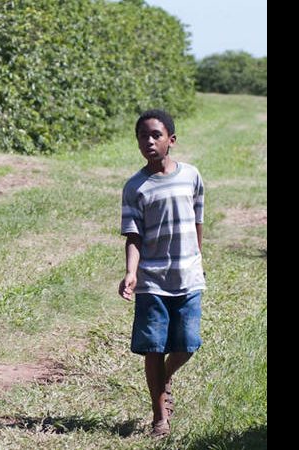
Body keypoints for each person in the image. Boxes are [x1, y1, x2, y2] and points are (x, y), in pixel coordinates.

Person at [118, 109, 206, 438]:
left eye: (156, 135)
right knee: (153, 347)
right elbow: (133, 236)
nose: (149, 141)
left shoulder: (192, 177)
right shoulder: (135, 187)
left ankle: (164, 379)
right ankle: (160, 416)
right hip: (152, 279)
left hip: (188, 277)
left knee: (188, 344)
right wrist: (131, 272)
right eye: (143, 136)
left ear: (172, 140)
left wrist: (198, 258)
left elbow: (197, 222)